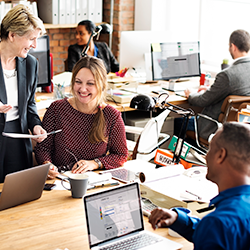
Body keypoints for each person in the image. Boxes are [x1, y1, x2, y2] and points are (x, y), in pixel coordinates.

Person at [149, 122, 250, 249]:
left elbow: (217, 231)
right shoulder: (220, 224)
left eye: (210, 150)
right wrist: (179, 219)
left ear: (220, 155)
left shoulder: (217, 224)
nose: (206, 156)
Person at [34, 56, 128, 179]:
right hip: (59, 180)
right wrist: (47, 165)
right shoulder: (57, 109)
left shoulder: (111, 115)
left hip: (93, 182)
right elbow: (43, 148)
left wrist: (95, 163)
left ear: (101, 85)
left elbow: (120, 155)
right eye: (78, 82)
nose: (83, 89)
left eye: (90, 83)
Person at [0, 4, 47, 183]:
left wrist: (35, 125)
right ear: (12, 35)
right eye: (31, 39)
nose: (34, 45)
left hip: (19, 138)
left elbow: (30, 104)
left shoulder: (30, 63)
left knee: (18, 194)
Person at [175, 29, 250, 141]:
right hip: (240, 128)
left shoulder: (227, 75)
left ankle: (179, 157)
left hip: (213, 127)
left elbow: (202, 101)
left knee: (178, 121)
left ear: (233, 47)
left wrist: (190, 95)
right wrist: (210, 89)